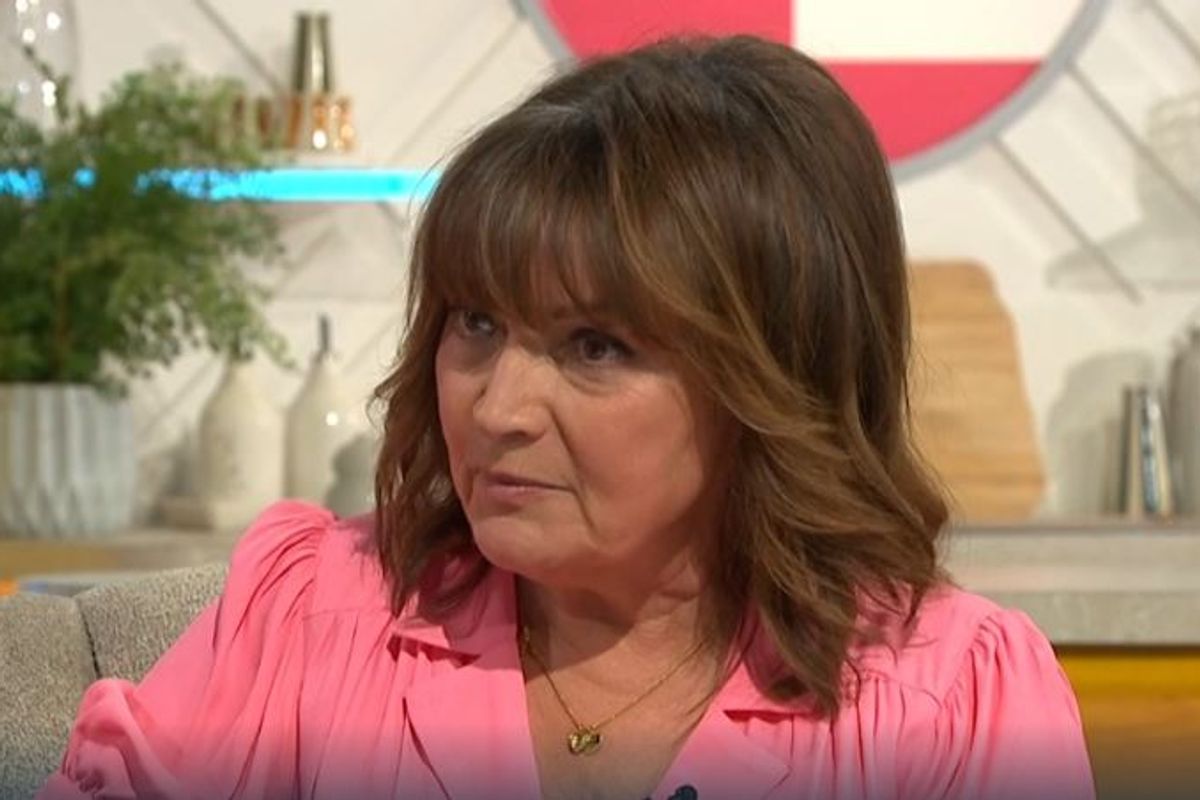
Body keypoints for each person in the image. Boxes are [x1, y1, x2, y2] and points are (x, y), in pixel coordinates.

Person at [40, 36, 1094, 800]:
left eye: (596, 346)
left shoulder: (952, 700)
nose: (498, 408)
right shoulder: (310, 618)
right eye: (476, 323)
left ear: (769, 379)